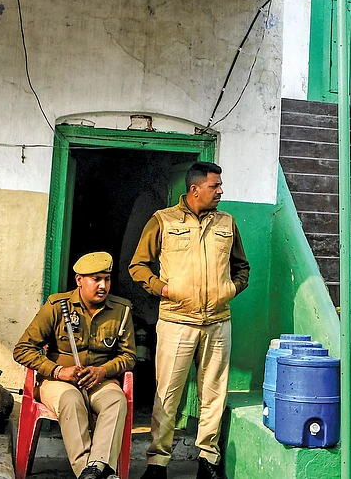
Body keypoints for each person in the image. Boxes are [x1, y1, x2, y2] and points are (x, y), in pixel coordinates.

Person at [130, 162, 249, 479]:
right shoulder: (163, 220)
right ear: (195, 189)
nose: (220, 191)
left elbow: (242, 268)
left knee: (214, 395)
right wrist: (162, 288)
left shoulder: (227, 222)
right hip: (176, 322)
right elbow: (138, 266)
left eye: (220, 185)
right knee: (167, 395)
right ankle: (157, 464)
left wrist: (229, 290)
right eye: (215, 186)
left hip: (218, 322)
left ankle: (208, 460)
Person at [14, 251, 136, 479]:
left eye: (107, 279)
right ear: (79, 280)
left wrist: (103, 371)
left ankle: (97, 467)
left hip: (99, 381)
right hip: (58, 381)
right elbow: (22, 349)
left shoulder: (122, 310)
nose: (103, 286)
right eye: (96, 279)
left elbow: (128, 356)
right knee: (71, 399)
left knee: (116, 401)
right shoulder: (56, 306)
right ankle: (87, 472)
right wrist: (58, 371)